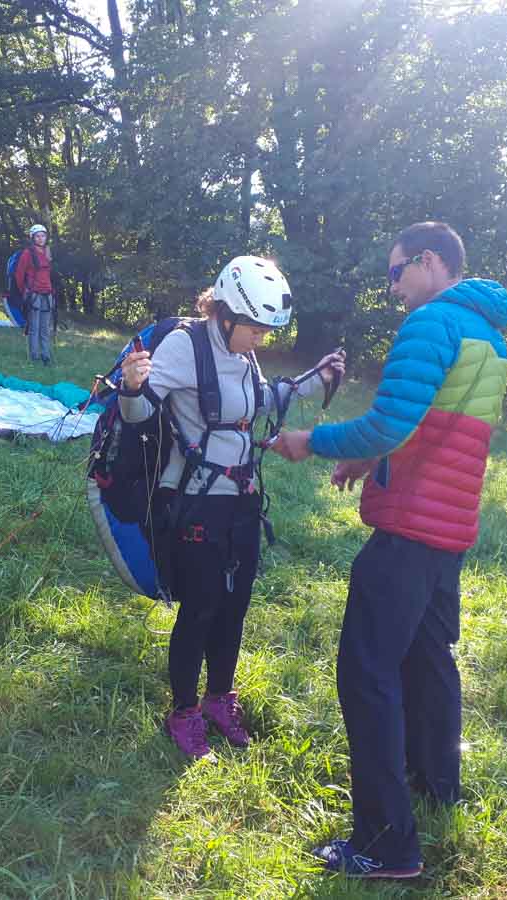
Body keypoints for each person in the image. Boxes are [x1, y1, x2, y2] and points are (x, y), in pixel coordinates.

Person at [270, 222, 507, 879]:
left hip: (409, 527)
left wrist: (312, 442)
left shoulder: (431, 323)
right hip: (449, 529)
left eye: (395, 271)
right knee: (429, 661)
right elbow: (431, 426)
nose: (393, 286)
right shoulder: (489, 334)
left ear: (429, 261)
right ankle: (436, 787)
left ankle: (385, 844)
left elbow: (389, 423)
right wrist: (371, 459)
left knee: (367, 673)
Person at [119, 256, 345, 760]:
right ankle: (183, 713)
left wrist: (317, 377)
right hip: (197, 501)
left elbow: (257, 400)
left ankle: (220, 699)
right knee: (200, 609)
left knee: (234, 607)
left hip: (243, 499)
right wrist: (132, 387)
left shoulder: (244, 355)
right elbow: (138, 413)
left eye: (266, 330)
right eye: (255, 328)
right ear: (225, 314)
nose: (261, 339)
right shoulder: (187, 346)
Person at [14, 223, 54, 364]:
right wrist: (23, 292)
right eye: (38, 236)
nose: (41, 238)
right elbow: (19, 274)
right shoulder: (27, 253)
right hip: (33, 294)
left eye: (43, 236)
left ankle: (46, 355)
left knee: (45, 328)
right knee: (34, 327)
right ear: (33, 238)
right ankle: (34, 355)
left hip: (47, 293)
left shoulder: (47, 252)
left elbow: (49, 273)